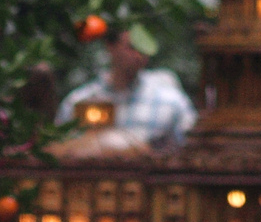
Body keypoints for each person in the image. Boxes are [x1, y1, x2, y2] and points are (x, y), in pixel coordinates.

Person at [56, 24, 196, 149]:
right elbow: (59, 149)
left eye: (144, 49)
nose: (138, 55)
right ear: (110, 46)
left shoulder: (171, 102)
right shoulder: (78, 102)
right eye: (132, 48)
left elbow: (190, 150)